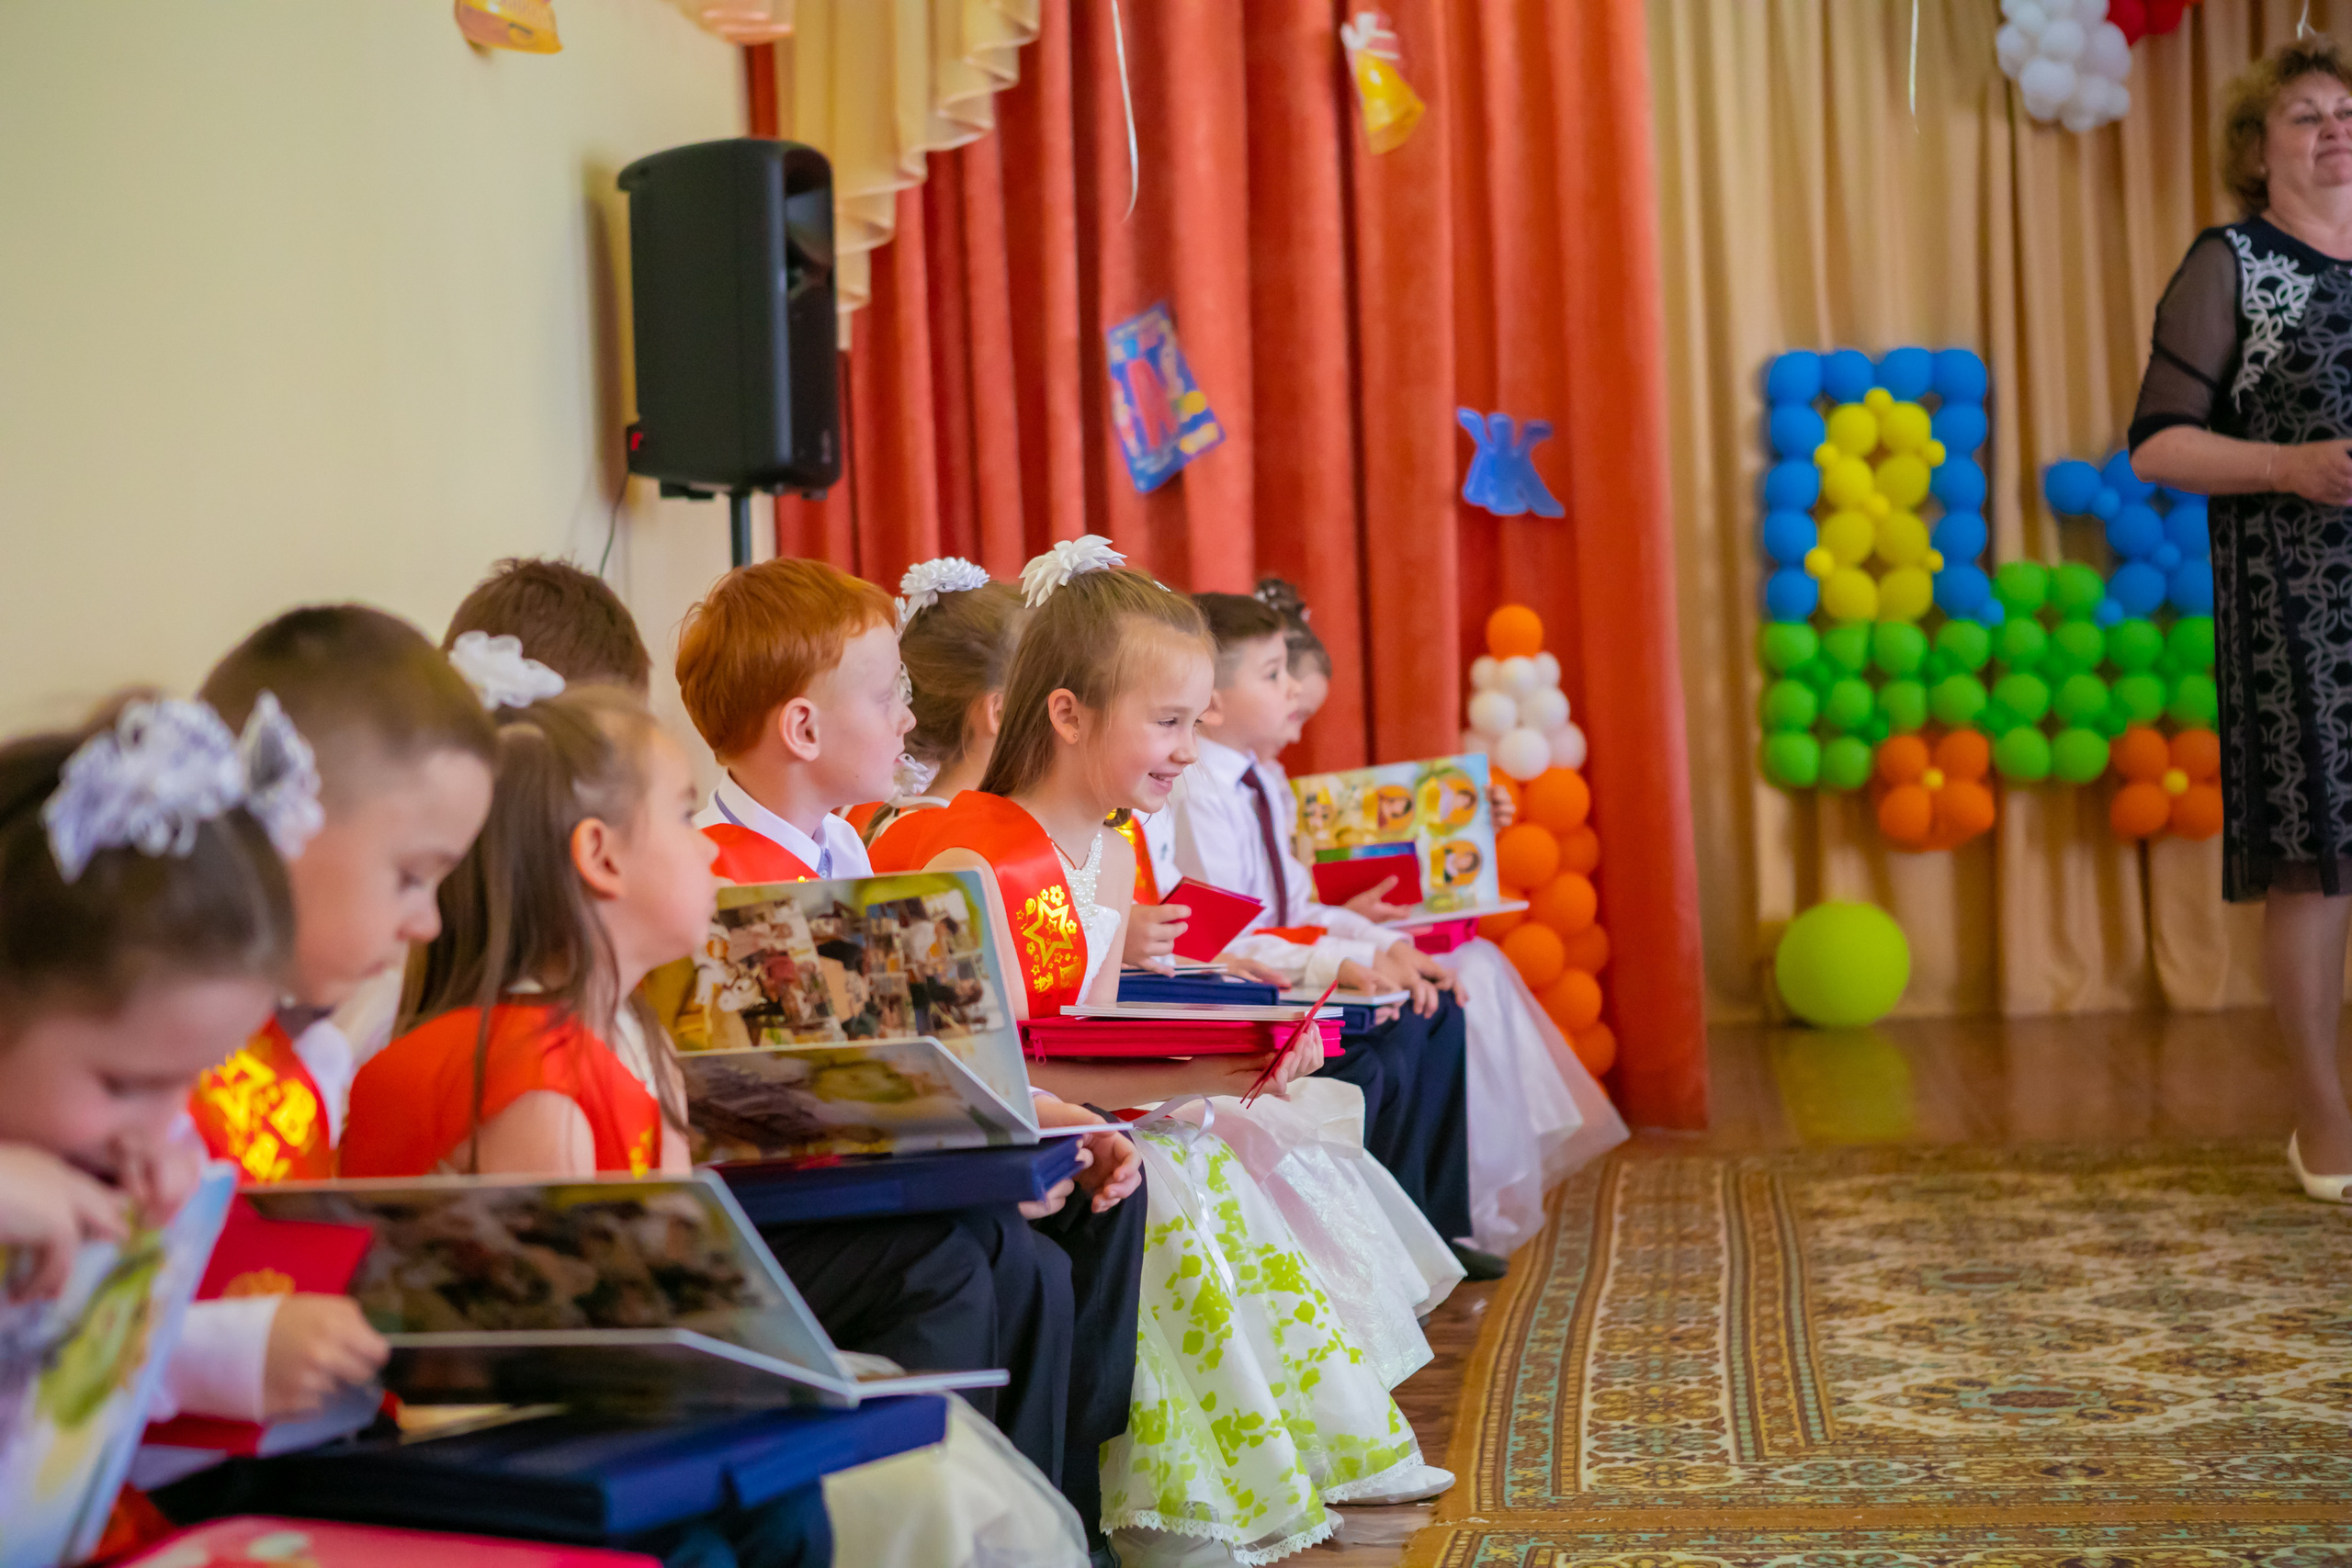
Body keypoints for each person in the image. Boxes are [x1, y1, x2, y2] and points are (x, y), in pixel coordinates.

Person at [340, 675, 1087, 1568]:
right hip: (515, 1438)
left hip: (627, 1403)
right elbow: (556, 1355)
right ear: (600, 858)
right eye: (678, 815)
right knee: (876, 1490)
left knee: (908, 1455)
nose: (703, 846)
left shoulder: (630, 1043)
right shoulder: (530, 1075)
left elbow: (666, 1304)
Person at [872, 539, 1451, 1566]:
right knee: (1184, 1175)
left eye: (1195, 722)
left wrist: (1222, 1068)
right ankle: (1158, 1490)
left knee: (1220, 1153)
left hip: (1076, 1107)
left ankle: (1294, 1446)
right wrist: (1200, 1076)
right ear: (1067, 714)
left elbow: (1087, 1030)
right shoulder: (977, 857)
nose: (1190, 749)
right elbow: (1005, 1067)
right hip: (1014, 1124)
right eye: (1170, 722)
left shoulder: (1108, 848)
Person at [672, 557, 1143, 1559]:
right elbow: (778, 1104)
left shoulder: (846, 851)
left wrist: (1056, 1120)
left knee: (1087, 1217)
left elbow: (939, 1056)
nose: (908, 715)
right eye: (890, 694)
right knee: (981, 1259)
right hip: (791, 1193)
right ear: (804, 729)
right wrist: (977, 1168)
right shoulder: (711, 879)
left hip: (885, 1161)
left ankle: (1061, 1525)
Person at [2128, 36, 2352, 1202]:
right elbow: (2157, 443)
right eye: (2305, 116)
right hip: (2298, 608)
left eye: (2345, 112)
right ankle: (2325, 1124)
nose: (2334, 130)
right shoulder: (2233, 264)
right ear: (2256, 152)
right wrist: (2284, 465)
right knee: (2317, 871)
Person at [1250, 580, 1629, 1247]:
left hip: (1338, 930)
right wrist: (1359, 931)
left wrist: (1472, 817)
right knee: (1461, 978)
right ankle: (1438, 1217)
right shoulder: (1225, 787)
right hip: (1310, 949)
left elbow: (1315, 882)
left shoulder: (1271, 780)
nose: (1296, 726)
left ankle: (1453, 1213)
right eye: (1289, 703)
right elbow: (1272, 910)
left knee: (1473, 968)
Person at [1150, 592, 1499, 1277]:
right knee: (1383, 1053)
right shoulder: (1197, 792)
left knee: (1438, 1011)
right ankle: (1384, 1259)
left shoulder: (1266, 778)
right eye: (1274, 674)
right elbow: (1232, 931)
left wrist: (1383, 946)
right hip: (1250, 980)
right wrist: (1345, 959)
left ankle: (1437, 1232)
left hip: (1288, 958)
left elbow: (1298, 899)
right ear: (1213, 703)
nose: (1293, 689)